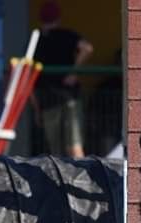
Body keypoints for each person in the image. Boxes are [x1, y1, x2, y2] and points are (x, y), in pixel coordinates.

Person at [31, 1, 93, 157]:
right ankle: (80, 180)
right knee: (75, 147)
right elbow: (87, 48)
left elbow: (29, 78)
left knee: (56, 153)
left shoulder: (35, 41)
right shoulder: (67, 35)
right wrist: (73, 72)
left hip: (48, 101)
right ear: (58, 18)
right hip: (69, 97)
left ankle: (59, 180)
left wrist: (36, 109)